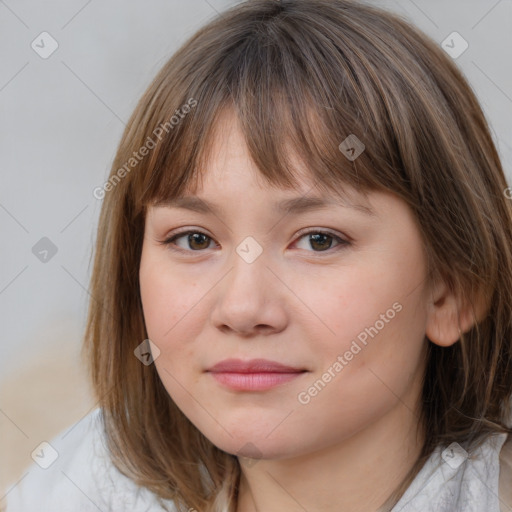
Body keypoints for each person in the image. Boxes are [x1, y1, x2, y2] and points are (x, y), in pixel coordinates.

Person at [5, 0, 512, 511]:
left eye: (319, 240)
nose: (243, 309)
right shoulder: (77, 489)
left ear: (451, 289)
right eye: (194, 239)